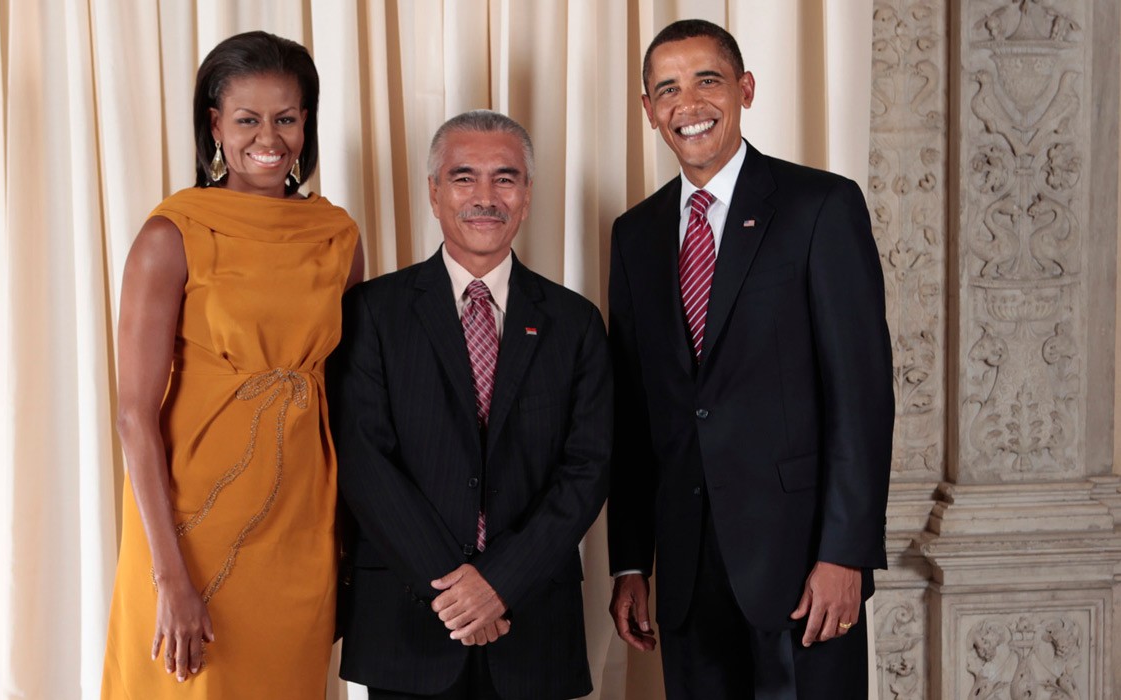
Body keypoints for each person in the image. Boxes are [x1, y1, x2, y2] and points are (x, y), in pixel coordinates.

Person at [606, 19, 893, 700]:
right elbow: (634, 414)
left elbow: (862, 396)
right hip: (685, 571)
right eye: (667, 89)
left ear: (746, 89)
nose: (690, 103)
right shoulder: (635, 235)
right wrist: (629, 562)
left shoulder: (820, 206)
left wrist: (844, 553)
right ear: (649, 111)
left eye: (708, 80)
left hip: (802, 566)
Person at [101, 31, 363, 699]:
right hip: (190, 532)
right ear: (215, 125)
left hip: (301, 529)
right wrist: (170, 578)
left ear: (307, 120)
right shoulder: (172, 235)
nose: (268, 136)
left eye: (287, 117)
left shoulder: (337, 237)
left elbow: (351, 398)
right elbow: (134, 415)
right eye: (247, 119)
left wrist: (349, 547)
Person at [331, 110, 611, 700]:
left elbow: (587, 469)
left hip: (533, 622)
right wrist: (459, 595)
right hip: (408, 625)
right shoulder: (371, 313)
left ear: (528, 195)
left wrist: (499, 582)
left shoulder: (576, 322)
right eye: (463, 178)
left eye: (505, 178)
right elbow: (364, 463)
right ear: (434, 193)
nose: (485, 197)